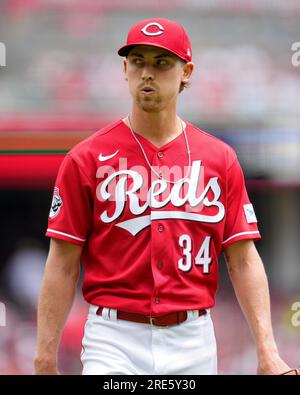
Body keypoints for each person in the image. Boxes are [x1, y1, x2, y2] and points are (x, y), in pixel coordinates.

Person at [34, 18, 292, 375]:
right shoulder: (86, 158)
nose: (147, 73)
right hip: (113, 338)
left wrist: (268, 351)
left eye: (161, 62)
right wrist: (44, 357)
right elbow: (62, 263)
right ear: (124, 69)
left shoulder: (219, 158)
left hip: (193, 338)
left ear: (186, 71)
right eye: (138, 61)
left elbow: (244, 260)